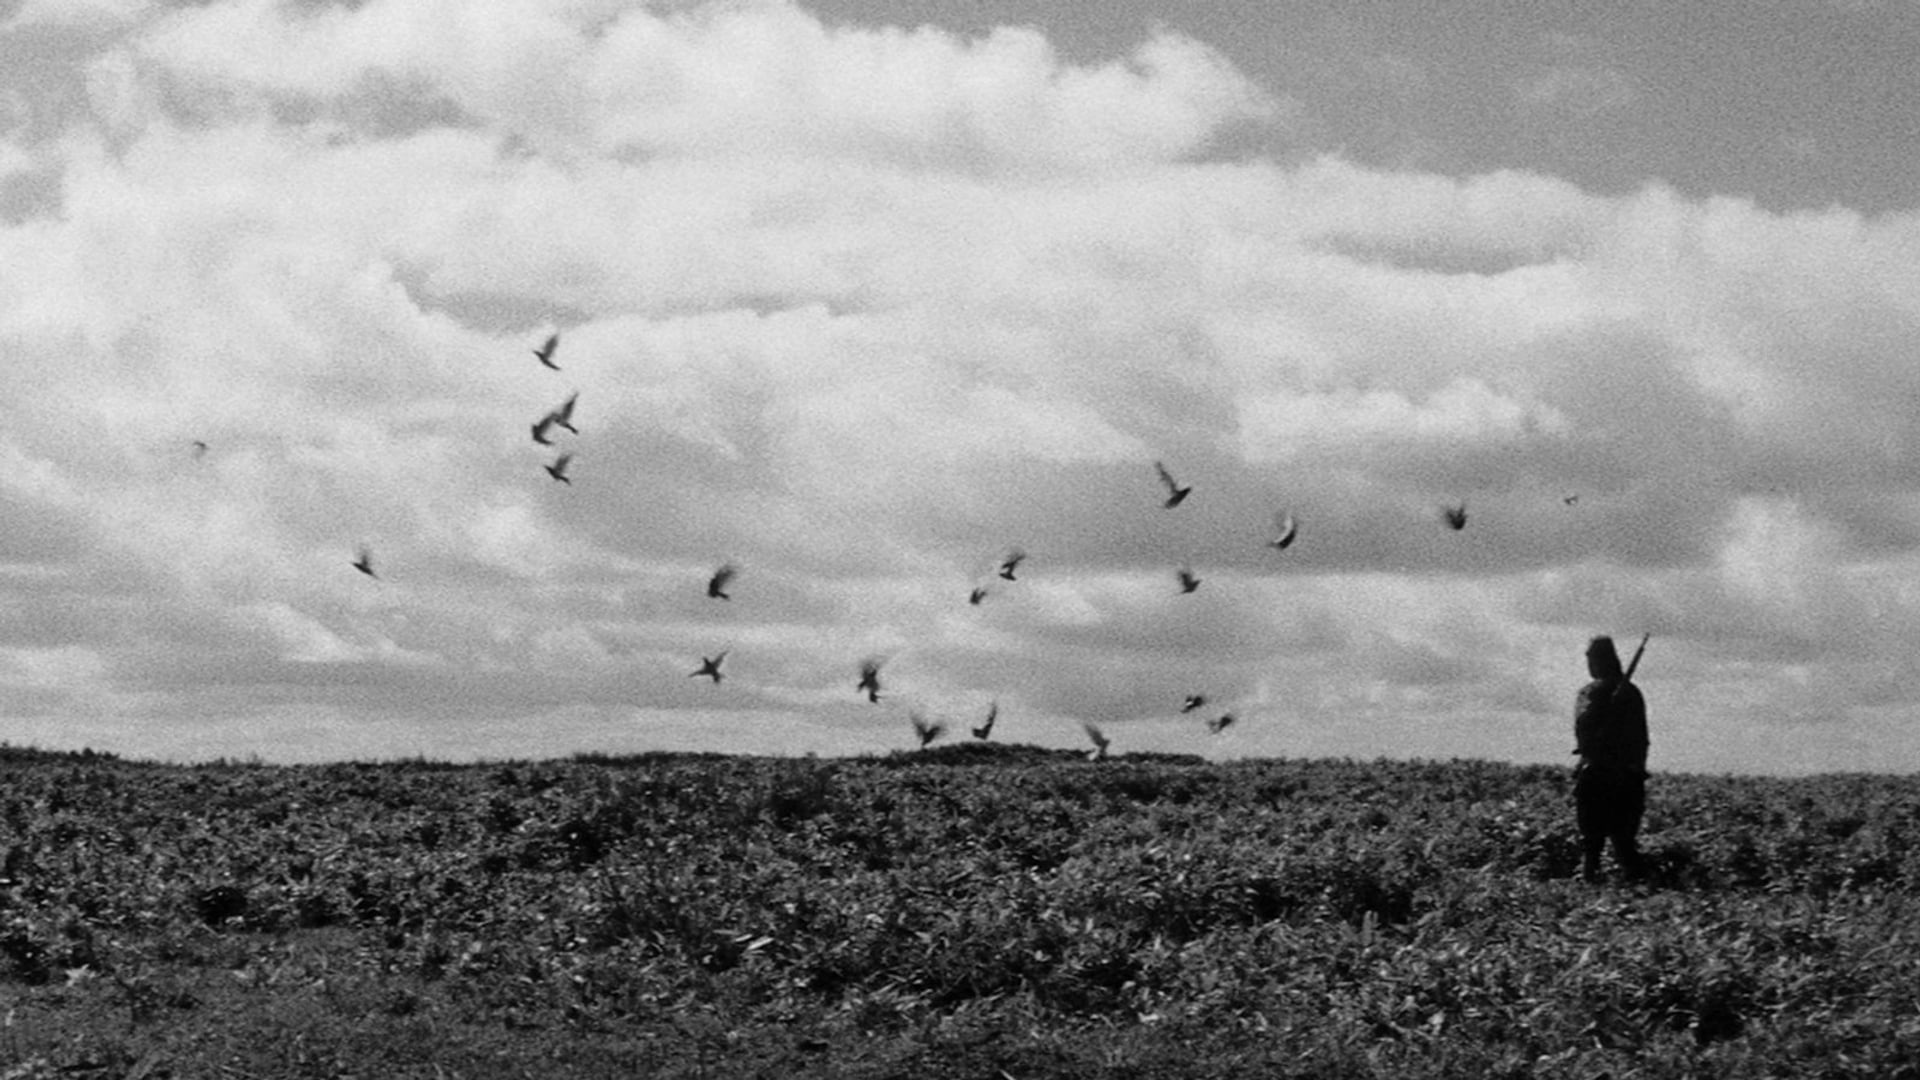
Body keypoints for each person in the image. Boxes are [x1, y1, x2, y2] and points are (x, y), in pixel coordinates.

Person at [1573, 635, 1648, 882]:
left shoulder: (1591, 692)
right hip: (1628, 776)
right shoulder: (1632, 692)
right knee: (1622, 842)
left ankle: (1593, 885)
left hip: (1598, 774)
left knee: (1593, 844)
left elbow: (1582, 729)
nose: (1589, 664)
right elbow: (1642, 740)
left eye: (1590, 659)